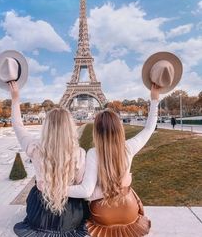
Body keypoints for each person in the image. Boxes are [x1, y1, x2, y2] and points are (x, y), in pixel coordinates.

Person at [67, 84, 160, 237]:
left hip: (103, 213)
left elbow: (87, 193)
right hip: (128, 210)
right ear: (119, 128)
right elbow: (149, 128)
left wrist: (58, 189)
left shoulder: (93, 153)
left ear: (96, 131)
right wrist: (154, 99)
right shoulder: (129, 147)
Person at [9, 81, 90, 237]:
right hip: (70, 215)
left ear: (46, 127)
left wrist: (15, 99)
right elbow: (80, 184)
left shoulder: (35, 148)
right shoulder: (79, 153)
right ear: (70, 128)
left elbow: (18, 125)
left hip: (40, 212)